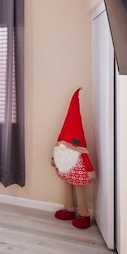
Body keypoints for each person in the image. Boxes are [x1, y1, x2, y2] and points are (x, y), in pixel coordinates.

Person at [51, 88, 95, 229]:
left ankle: (84, 214)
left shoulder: (80, 151)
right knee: (66, 187)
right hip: (66, 172)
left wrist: (89, 171)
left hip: (76, 174)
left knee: (79, 190)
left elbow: (86, 160)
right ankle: (69, 209)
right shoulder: (62, 147)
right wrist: (54, 160)